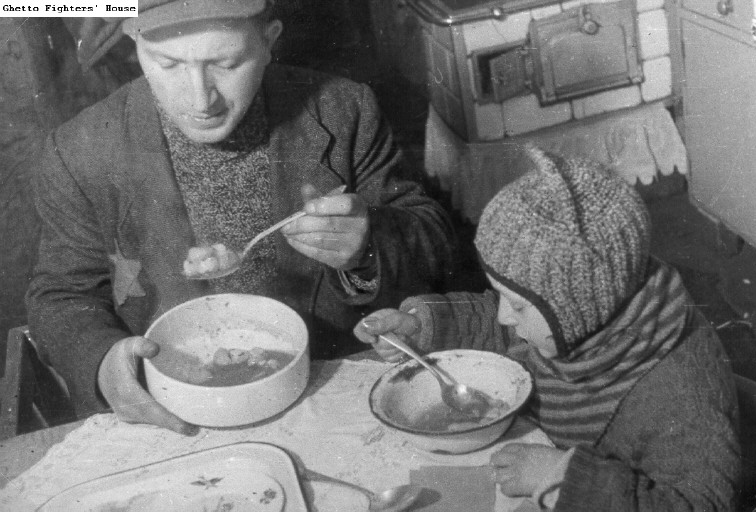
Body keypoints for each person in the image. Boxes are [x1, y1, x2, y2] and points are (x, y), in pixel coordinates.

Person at [26, 0, 455, 435]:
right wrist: (103, 365)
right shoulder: (78, 150)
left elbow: (435, 238)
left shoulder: (345, 110)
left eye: (227, 63)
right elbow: (60, 295)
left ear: (269, 42)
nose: (201, 100)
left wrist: (368, 245)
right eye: (169, 64)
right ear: (134, 43)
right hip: (176, 408)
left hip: (323, 394)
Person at [355, 146, 740, 511]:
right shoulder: (582, 317)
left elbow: (699, 505)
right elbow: (505, 326)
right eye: (501, 295)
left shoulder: (680, 390)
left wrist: (559, 476)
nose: (505, 315)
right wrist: (424, 326)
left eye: (518, 305)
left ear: (583, 309)